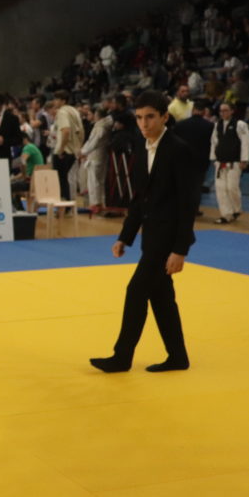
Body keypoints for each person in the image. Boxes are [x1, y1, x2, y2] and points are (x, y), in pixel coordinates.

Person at [90, 91, 196, 374]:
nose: (144, 123)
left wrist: (180, 250)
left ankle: (121, 357)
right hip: (151, 235)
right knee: (161, 298)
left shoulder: (179, 149)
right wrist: (125, 236)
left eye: (150, 117)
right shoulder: (141, 145)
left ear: (165, 117)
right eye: (139, 118)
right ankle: (178, 357)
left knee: (136, 291)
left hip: (168, 238)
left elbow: (188, 204)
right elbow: (140, 198)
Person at [208, 102, 249, 224]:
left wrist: (244, 159)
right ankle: (226, 215)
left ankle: (236, 209)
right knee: (220, 189)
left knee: (232, 187)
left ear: (232, 111)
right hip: (220, 161)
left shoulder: (240, 124)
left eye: (225, 110)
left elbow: (246, 142)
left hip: (234, 162)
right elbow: (214, 142)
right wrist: (213, 158)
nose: (223, 113)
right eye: (221, 111)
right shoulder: (217, 125)